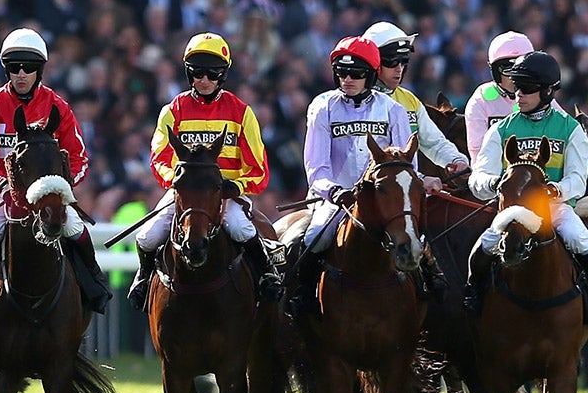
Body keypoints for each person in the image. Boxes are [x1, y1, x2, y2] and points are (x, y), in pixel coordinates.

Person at [0, 29, 113, 320]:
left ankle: (95, 285)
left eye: (28, 67)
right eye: (14, 67)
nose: (21, 74)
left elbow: (79, 156)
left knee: (76, 230)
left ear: (39, 70)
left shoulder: (58, 106)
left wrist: (60, 187)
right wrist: (3, 184)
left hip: (50, 194)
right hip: (7, 194)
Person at [128, 32, 273, 310]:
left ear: (223, 75)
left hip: (225, 195)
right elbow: (159, 158)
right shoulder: (173, 110)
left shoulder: (241, 112)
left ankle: (267, 276)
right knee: (147, 237)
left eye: (212, 73)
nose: (204, 80)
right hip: (184, 193)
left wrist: (237, 187)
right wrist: (176, 180)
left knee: (242, 229)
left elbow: (259, 170)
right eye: (197, 73)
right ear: (188, 73)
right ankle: (144, 278)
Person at [273, 36, 413, 318]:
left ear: (372, 76)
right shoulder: (322, 107)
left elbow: (408, 165)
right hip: (337, 200)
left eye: (356, 74)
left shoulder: (394, 110)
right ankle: (300, 299)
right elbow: (316, 166)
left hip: (384, 200)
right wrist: (335, 192)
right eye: (342, 73)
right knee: (312, 239)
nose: (347, 79)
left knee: (416, 240)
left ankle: (429, 294)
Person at [467, 50, 588, 309]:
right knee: (482, 248)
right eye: (517, 87)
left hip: (554, 209)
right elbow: (478, 176)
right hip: (512, 211)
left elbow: (578, 178)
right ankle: (473, 295)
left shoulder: (570, 129)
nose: (518, 94)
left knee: (580, 239)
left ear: (547, 92)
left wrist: (556, 191)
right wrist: (492, 183)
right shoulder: (500, 129)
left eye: (527, 89)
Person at [363, 21, 470, 177]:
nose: (399, 68)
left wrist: (456, 160)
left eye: (403, 61)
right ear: (372, 61)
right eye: (391, 61)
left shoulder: (410, 100)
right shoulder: (355, 102)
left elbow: (434, 143)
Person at [466, 31, 533, 159]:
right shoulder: (480, 100)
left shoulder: (542, 95)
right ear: (495, 71)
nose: (514, 75)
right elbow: (478, 154)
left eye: (522, 68)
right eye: (506, 67)